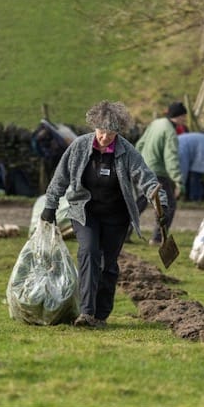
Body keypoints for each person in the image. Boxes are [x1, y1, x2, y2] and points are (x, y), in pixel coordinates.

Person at [40, 100, 167, 328]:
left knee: (108, 264)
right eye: (101, 131)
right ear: (94, 127)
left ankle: (101, 315)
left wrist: (161, 204)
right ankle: (86, 313)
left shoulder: (127, 151)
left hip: (116, 216)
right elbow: (60, 177)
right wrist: (50, 205)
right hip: (84, 211)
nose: (104, 137)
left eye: (110, 133)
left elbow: (147, 180)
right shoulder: (79, 147)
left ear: (117, 132)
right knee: (88, 252)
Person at [133, 101, 186, 245]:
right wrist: (178, 181)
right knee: (167, 204)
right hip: (158, 173)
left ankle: (122, 233)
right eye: (183, 117)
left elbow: (140, 144)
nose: (184, 121)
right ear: (179, 117)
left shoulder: (156, 123)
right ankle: (157, 238)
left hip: (143, 168)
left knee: (138, 203)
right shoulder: (170, 132)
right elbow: (171, 158)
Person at [177, 132, 204, 201]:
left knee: (195, 176)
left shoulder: (178, 147)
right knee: (194, 176)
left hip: (201, 149)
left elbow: (183, 167)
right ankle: (193, 195)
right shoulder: (177, 143)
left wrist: (180, 183)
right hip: (200, 146)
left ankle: (196, 197)